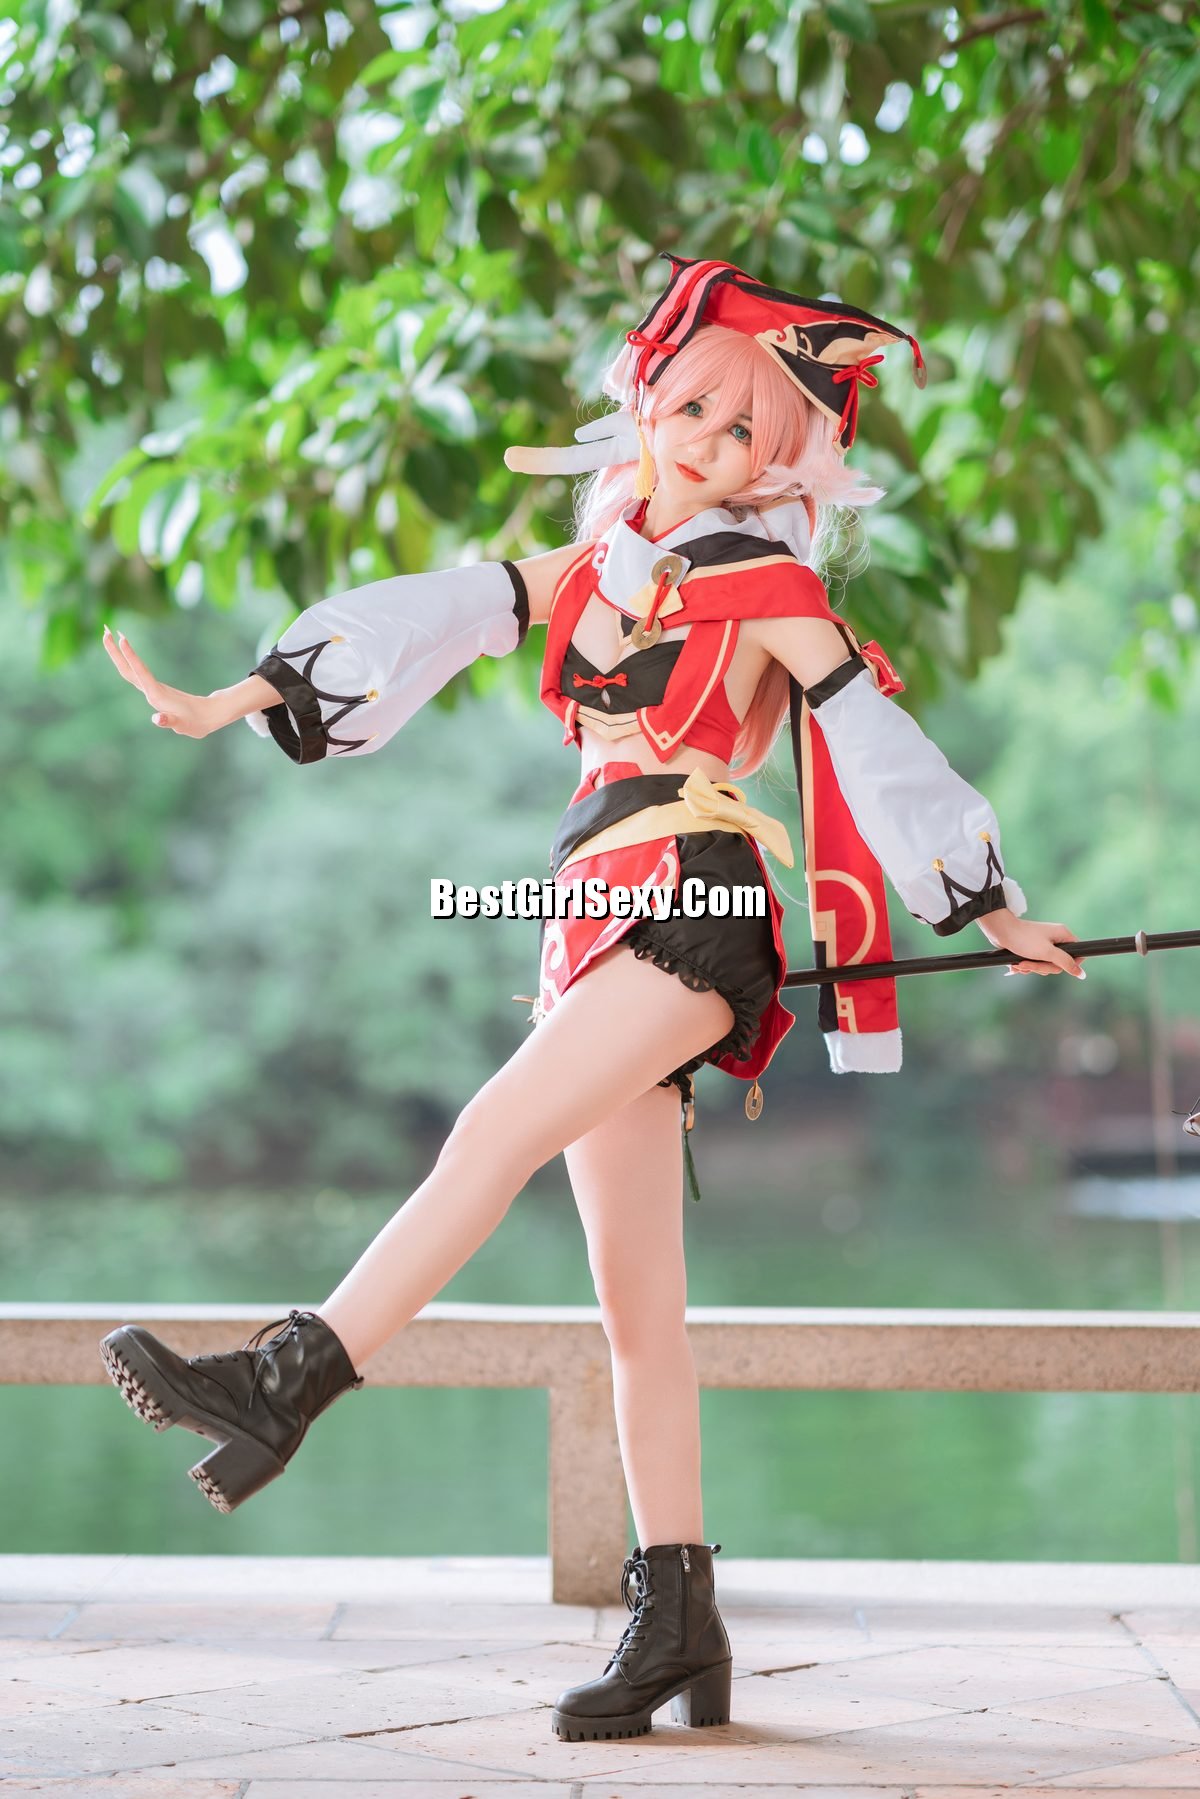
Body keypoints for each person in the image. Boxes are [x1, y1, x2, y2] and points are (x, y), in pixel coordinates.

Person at [96, 252, 1084, 1742]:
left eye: (746, 431)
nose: (710, 443)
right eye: (692, 410)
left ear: (784, 458)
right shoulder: (597, 566)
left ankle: (283, 1381)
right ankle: (680, 1624)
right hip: (591, 913)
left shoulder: (770, 584)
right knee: (637, 1313)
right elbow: (437, 616)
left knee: (489, 1135)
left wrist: (985, 900)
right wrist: (245, 694)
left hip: (697, 902)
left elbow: (871, 734)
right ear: (647, 403)